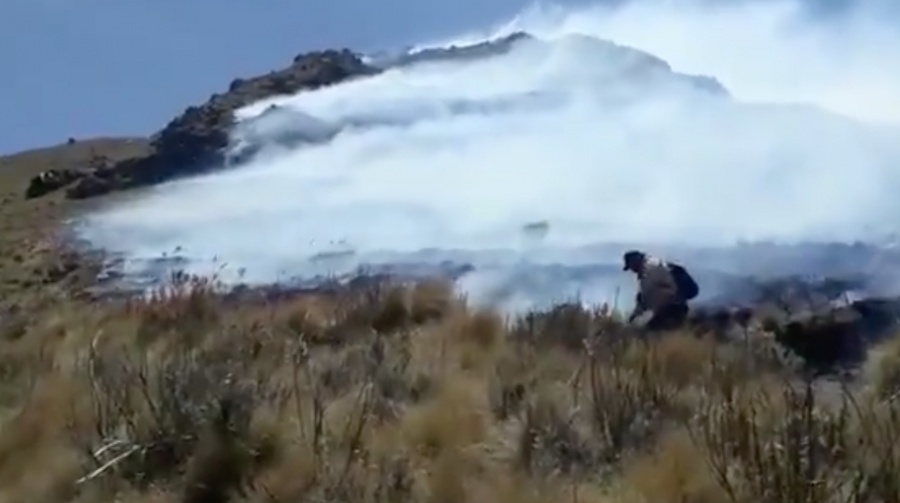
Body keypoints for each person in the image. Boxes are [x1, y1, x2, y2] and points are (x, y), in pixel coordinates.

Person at [622, 250, 699, 332]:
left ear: (635, 262)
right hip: (672, 307)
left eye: (631, 266)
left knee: (654, 333)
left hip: (671, 308)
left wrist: (637, 313)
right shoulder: (652, 266)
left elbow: (648, 295)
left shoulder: (650, 270)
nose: (632, 270)